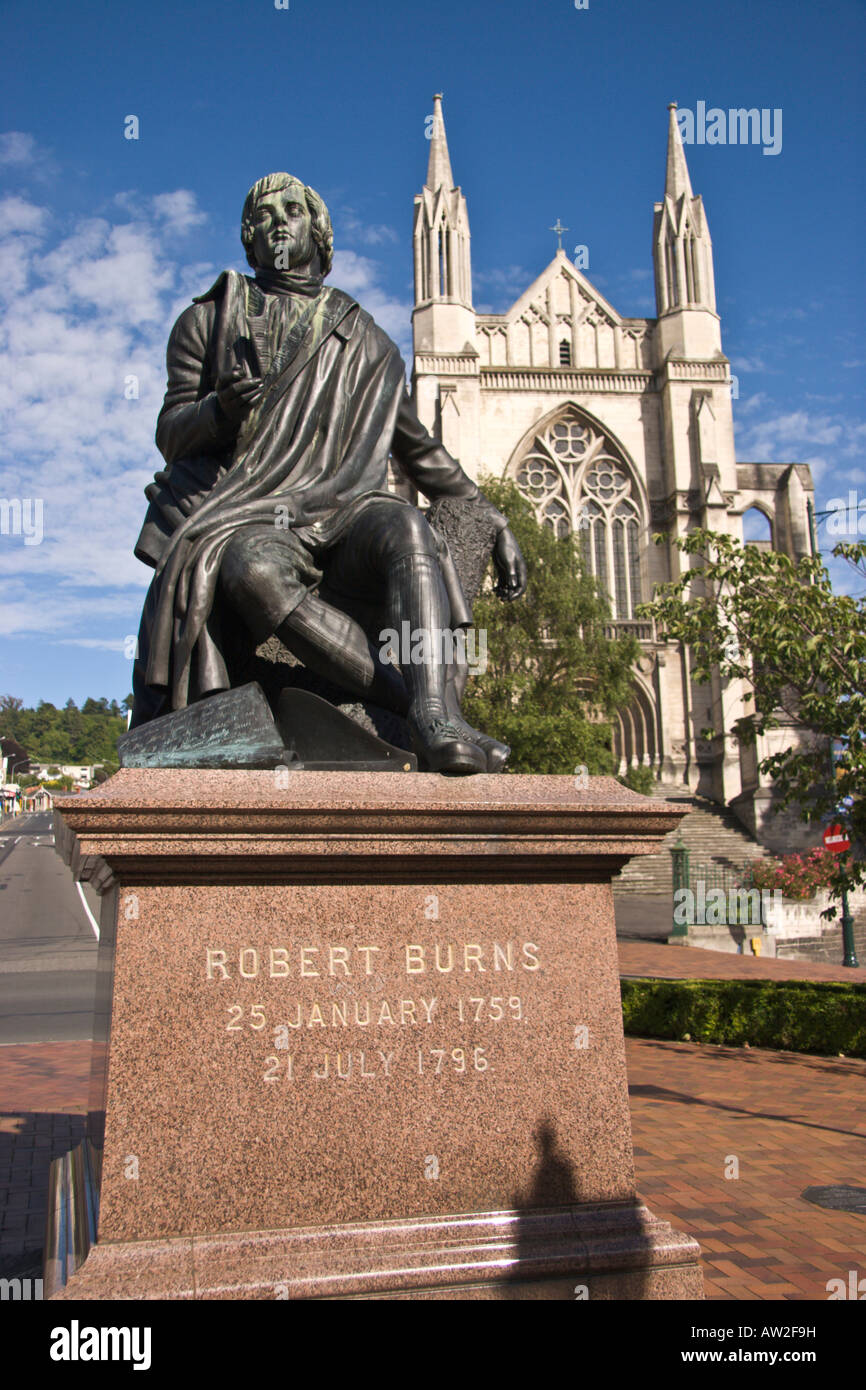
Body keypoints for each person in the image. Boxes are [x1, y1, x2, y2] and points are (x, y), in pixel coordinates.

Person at [131, 172, 527, 773]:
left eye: (293, 210)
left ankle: (432, 716)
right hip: (256, 514)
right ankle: (409, 697)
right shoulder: (208, 322)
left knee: (407, 529)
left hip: (347, 510)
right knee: (251, 569)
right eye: (263, 215)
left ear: (318, 233)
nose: (278, 222)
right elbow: (171, 432)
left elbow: (416, 446)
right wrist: (220, 411)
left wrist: (489, 514)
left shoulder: (365, 339)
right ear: (248, 237)